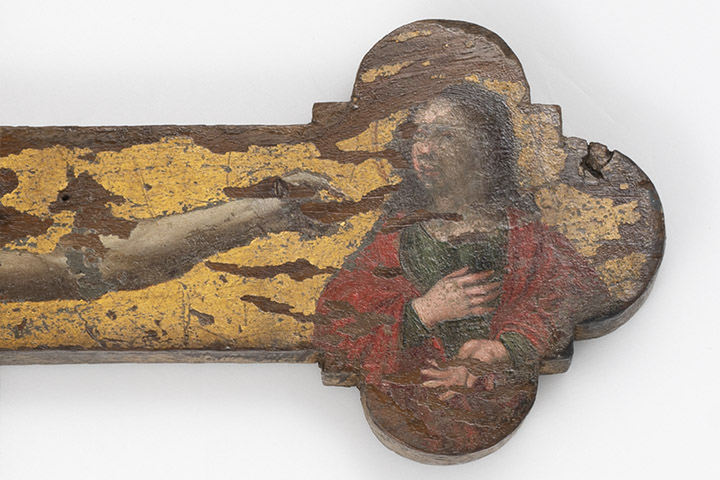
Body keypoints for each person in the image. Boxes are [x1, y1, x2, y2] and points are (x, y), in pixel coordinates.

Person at [313, 83, 609, 457]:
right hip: (411, 411)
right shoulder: (396, 237)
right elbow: (335, 318)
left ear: (486, 148)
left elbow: (577, 295)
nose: (425, 148)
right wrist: (422, 312)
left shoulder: (526, 237)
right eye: (420, 134)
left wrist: (504, 349)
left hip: (501, 412)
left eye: (445, 135)